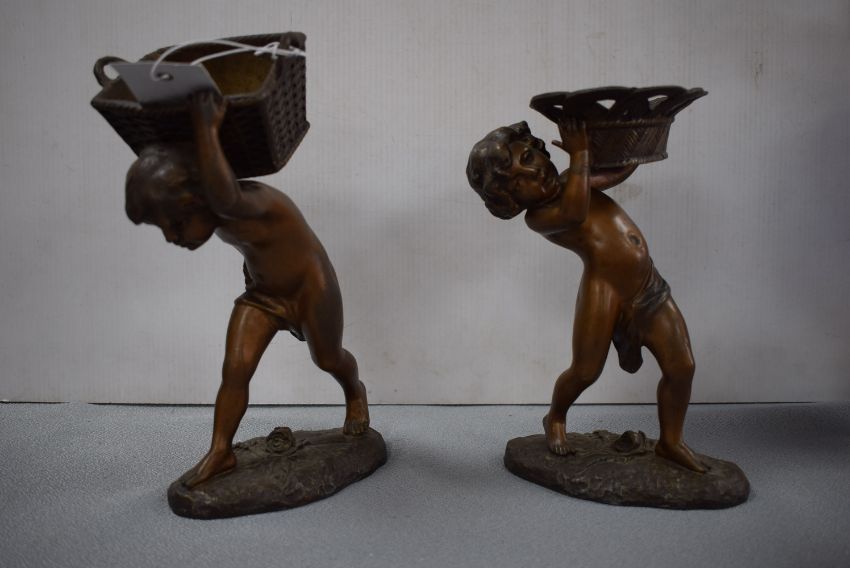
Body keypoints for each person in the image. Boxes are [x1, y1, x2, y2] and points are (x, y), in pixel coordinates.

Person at [125, 92, 369, 488]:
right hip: (263, 294)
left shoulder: (247, 202)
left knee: (328, 359)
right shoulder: (219, 210)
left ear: (199, 197)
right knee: (235, 368)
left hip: (311, 290)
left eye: (176, 223)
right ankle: (221, 451)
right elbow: (254, 243)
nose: (172, 237)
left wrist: (207, 125)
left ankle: (355, 392)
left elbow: (226, 196)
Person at [466, 119, 704, 472]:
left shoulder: (571, 180)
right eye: (517, 181)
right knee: (585, 371)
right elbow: (575, 210)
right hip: (605, 291)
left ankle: (670, 442)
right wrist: (579, 156)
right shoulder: (541, 216)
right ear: (510, 200)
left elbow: (616, 173)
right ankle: (555, 416)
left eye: (529, 157)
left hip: (646, 284)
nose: (533, 172)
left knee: (682, 366)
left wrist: (630, 144)